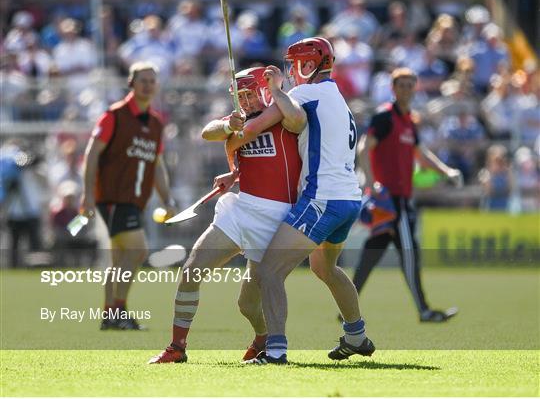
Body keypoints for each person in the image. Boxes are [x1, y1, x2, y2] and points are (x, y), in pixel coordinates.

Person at [148, 66, 304, 363]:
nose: (244, 102)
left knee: (247, 304)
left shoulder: (281, 112)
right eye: (239, 96)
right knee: (192, 269)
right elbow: (208, 132)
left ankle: (262, 338)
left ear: (264, 89)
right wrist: (231, 131)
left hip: (275, 218)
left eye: (249, 94)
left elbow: (295, 120)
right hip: (241, 209)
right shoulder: (239, 120)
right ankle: (177, 347)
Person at [247, 37, 375, 365]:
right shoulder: (337, 97)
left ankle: (275, 350)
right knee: (324, 267)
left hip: (323, 198)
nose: (290, 71)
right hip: (348, 200)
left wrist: (275, 90)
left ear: (309, 64)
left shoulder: (306, 93)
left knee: (269, 270)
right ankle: (357, 336)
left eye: (294, 64)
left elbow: (289, 117)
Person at [353, 67, 463, 323]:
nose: (406, 89)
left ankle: (346, 305)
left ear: (415, 88)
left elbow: (420, 153)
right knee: (410, 252)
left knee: (372, 253)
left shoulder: (409, 120)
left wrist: (446, 171)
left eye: (410, 85)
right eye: (401, 85)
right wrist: (372, 184)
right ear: (393, 88)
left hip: (400, 198)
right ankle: (424, 310)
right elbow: (363, 149)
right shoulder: (384, 116)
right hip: (390, 200)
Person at [80, 62, 175, 330]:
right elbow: (92, 155)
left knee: (119, 258)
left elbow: (156, 165)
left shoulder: (156, 123)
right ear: (131, 83)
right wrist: (87, 196)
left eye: (152, 80)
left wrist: (167, 199)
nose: (148, 84)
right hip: (112, 198)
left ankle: (109, 317)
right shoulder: (115, 115)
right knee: (138, 250)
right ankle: (119, 313)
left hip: (135, 201)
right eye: (142, 80)